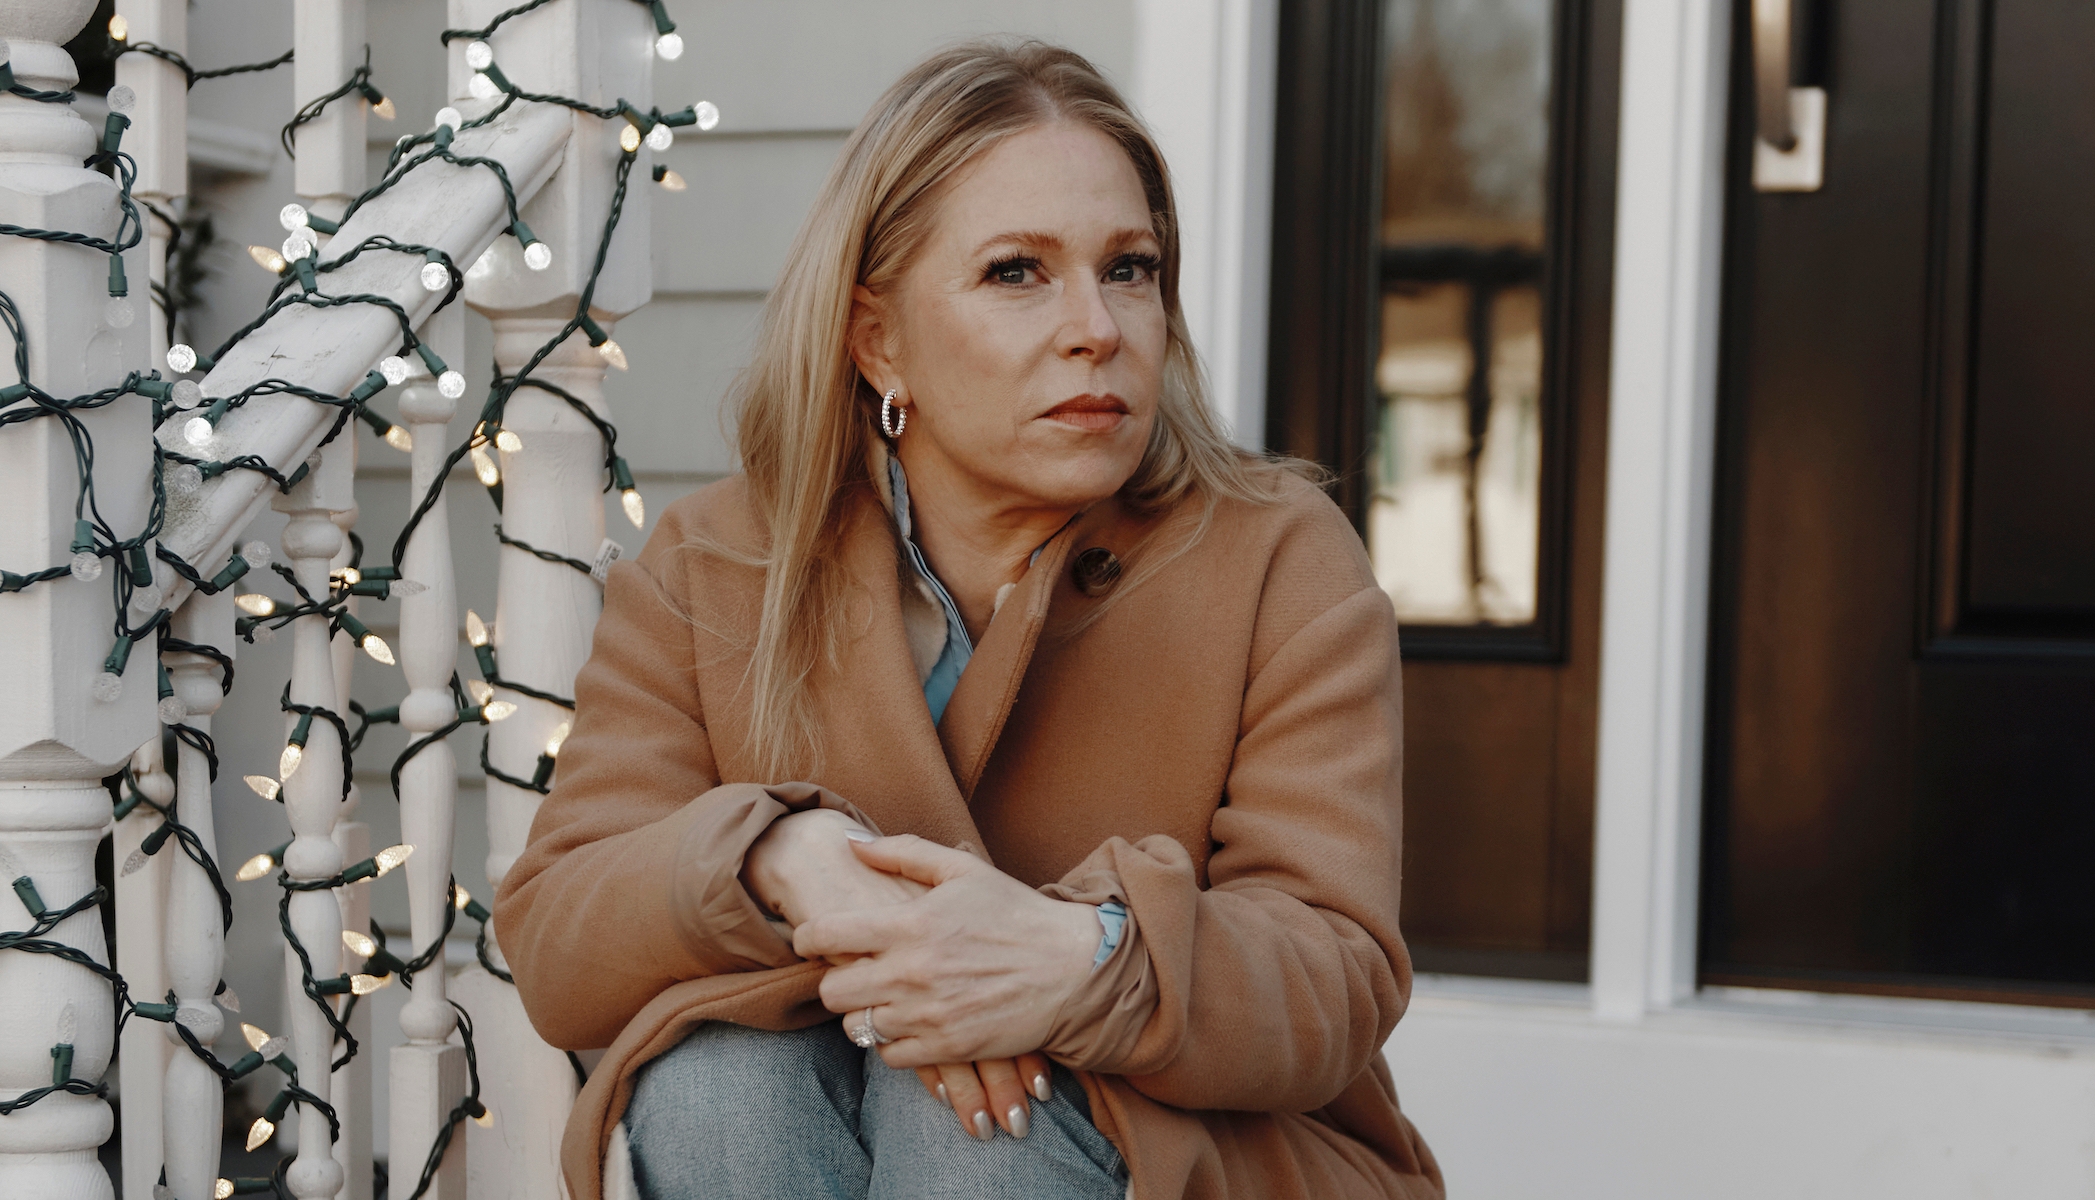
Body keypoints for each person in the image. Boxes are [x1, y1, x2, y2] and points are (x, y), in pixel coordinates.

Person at [494, 37, 1444, 1200]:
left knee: (968, 1128)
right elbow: (558, 937)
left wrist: (1083, 964)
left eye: (1130, 268)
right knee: (717, 1085)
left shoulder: (1278, 556)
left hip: (1207, 1161)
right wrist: (779, 858)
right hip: (810, 1122)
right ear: (877, 338)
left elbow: (1335, 973)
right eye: (1016, 272)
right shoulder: (715, 562)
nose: (1097, 326)